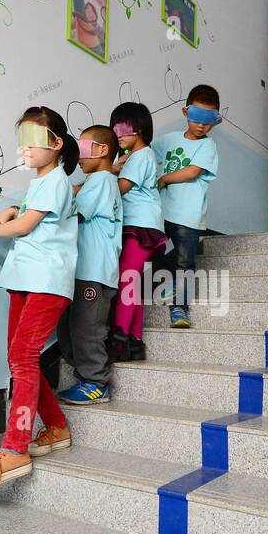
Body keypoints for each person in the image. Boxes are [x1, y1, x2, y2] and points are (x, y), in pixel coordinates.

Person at [0, 107, 80, 488]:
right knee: (18, 358)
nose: (26, 149)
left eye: (33, 142)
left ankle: (15, 448)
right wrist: (10, 210)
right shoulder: (42, 182)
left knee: (22, 358)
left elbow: (28, 225)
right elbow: (30, 215)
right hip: (26, 277)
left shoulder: (57, 180)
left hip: (46, 280)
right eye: (22, 142)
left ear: (56, 144)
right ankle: (57, 427)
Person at [57, 125, 123, 404]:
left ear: (103, 150)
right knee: (72, 325)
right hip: (85, 271)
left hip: (94, 273)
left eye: (83, 149)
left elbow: (76, 215)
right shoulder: (97, 182)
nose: (78, 157)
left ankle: (96, 382)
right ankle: (85, 375)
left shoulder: (102, 181)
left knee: (87, 328)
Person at [151, 85, 221, 327]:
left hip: (188, 217)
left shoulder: (207, 145)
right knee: (148, 250)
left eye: (209, 120)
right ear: (185, 112)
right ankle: (168, 280)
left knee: (185, 262)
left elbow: (193, 171)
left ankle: (180, 308)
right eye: (197, 118)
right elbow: (144, 153)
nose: (202, 125)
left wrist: (164, 178)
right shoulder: (167, 140)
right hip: (161, 213)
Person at [107, 101, 165, 360]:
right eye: (114, 128)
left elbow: (119, 189)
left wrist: (103, 171)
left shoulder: (141, 156)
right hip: (141, 225)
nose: (116, 133)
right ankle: (134, 341)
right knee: (133, 283)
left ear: (139, 130)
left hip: (140, 226)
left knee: (126, 281)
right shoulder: (134, 156)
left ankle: (119, 341)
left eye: (122, 128)